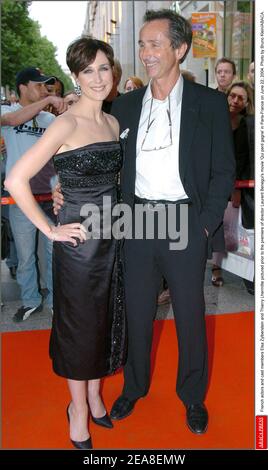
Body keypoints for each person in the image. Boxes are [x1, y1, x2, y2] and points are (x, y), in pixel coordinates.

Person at [54, 9, 235, 434]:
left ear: (180, 49)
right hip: (135, 221)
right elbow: (97, 156)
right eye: (141, 44)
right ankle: (133, 387)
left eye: (155, 44)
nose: (146, 53)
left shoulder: (209, 103)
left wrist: (205, 225)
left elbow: (224, 171)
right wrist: (66, 188)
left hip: (185, 221)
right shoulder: (126, 105)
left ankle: (192, 396)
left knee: (190, 315)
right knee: (136, 312)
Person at [5, 37, 126, 449]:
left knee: (103, 321)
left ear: (113, 73)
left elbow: (109, 182)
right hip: (78, 246)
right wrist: (50, 229)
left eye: (104, 68)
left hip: (112, 240)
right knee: (79, 328)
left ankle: (94, 396)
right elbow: (15, 180)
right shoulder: (66, 123)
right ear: (75, 77)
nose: (98, 78)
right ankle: (77, 409)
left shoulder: (111, 123)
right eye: (88, 70)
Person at [1, 67, 66, 322]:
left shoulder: (50, 121)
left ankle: (52, 300)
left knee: (53, 254)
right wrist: (48, 101)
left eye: (45, 86)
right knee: (26, 256)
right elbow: (14, 121)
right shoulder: (7, 112)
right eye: (37, 85)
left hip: (51, 198)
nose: (43, 89)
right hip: (21, 200)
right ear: (22, 88)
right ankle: (30, 300)